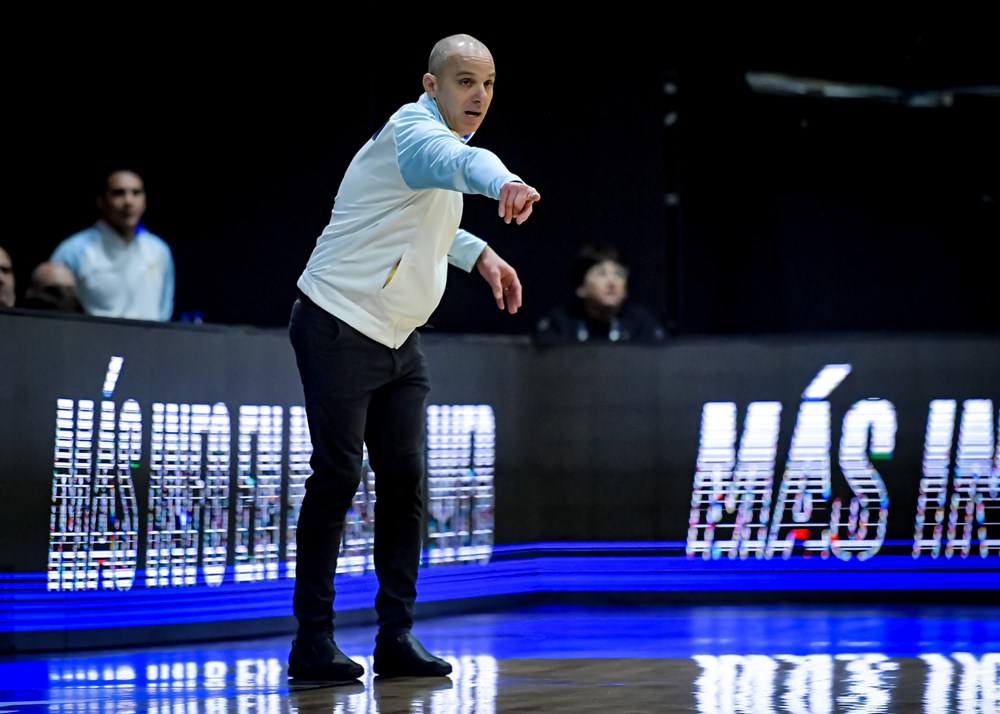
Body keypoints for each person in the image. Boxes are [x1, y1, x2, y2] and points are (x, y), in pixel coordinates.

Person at [287, 33, 540, 682]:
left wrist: (479, 253)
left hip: (400, 340)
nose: (478, 95)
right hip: (338, 324)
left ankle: (394, 637)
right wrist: (505, 180)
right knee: (337, 478)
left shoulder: (433, 152)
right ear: (432, 86)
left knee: (405, 487)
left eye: (487, 83)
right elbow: (465, 167)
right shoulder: (416, 132)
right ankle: (312, 641)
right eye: (464, 81)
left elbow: (428, 219)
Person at [50, 168, 174, 321]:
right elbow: (53, 307)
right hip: (93, 342)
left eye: (136, 193)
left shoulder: (159, 250)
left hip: (150, 342)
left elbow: (164, 313)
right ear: (101, 201)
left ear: (144, 200)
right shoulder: (73, 251)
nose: (128, 201)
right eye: (119, 193)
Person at [534, 242, 667, 346]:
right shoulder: (559, 325)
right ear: (581, 287)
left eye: (619, 274)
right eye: (601, 273)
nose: (612, 282)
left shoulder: (642, 325)